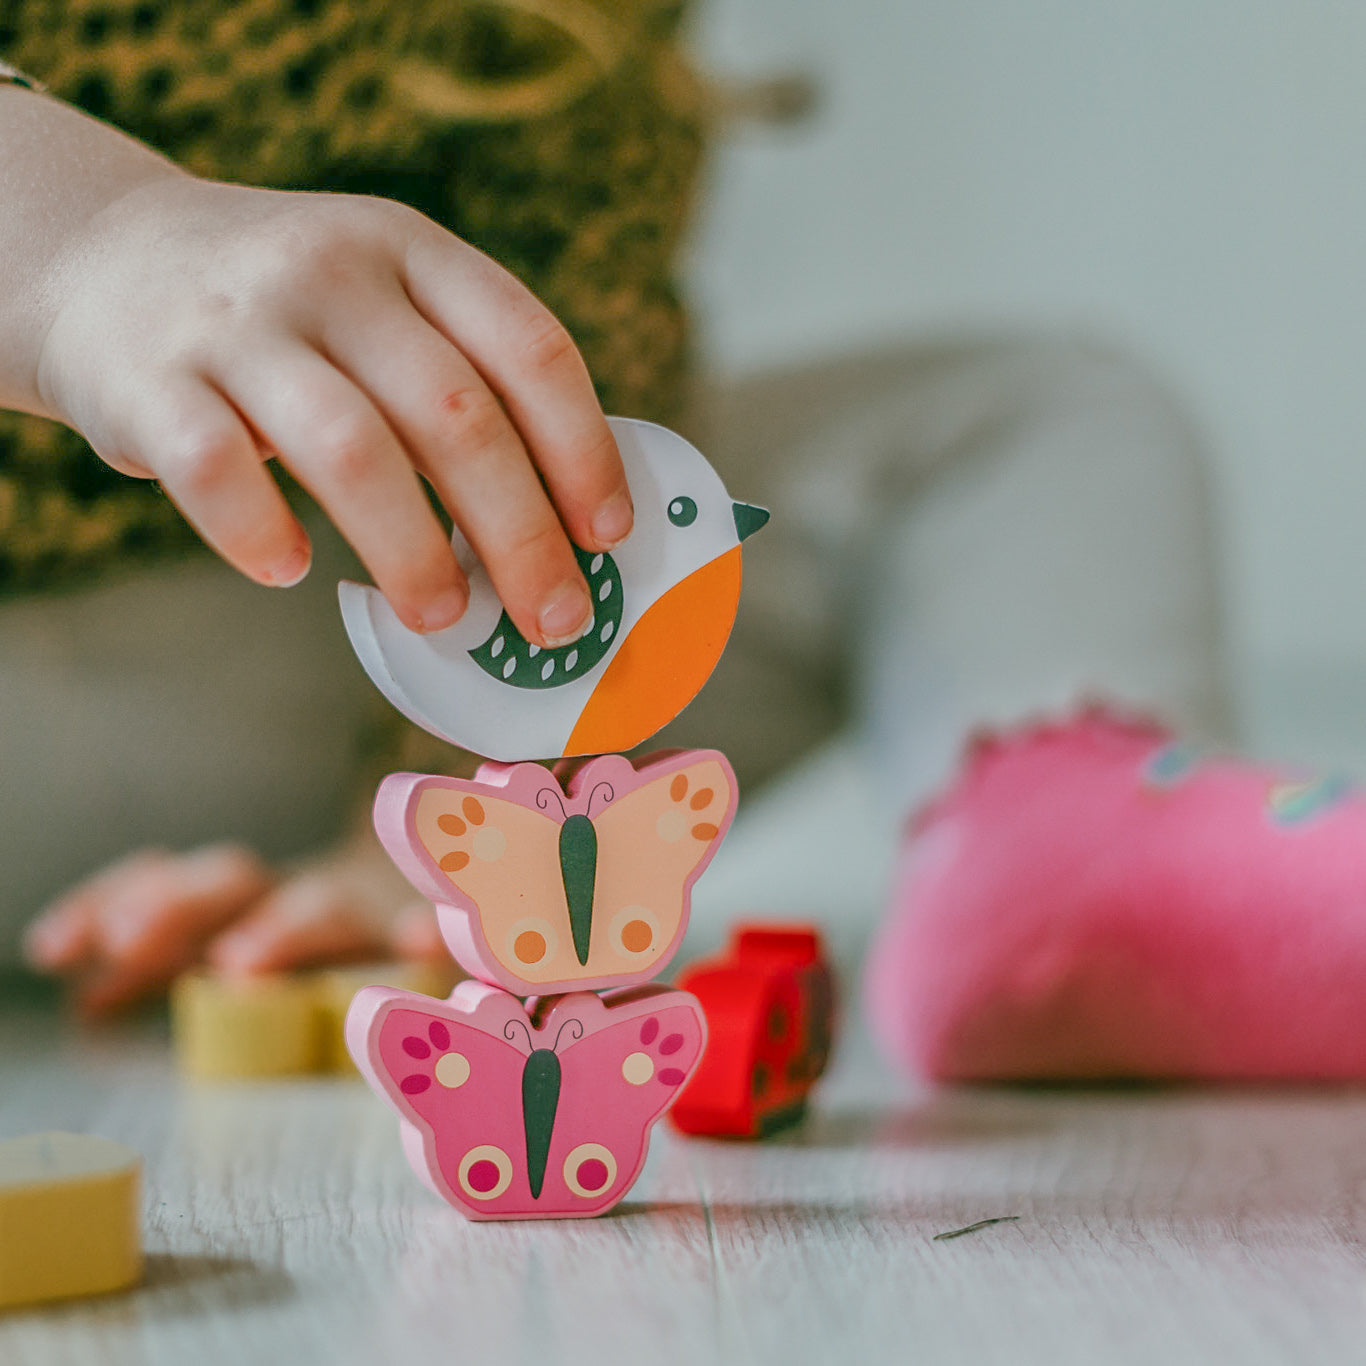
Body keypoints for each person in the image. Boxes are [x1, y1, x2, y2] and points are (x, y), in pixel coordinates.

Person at [0, 3, 1229, 1016]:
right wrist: (87, 244)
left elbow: (588, 435)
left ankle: (1084, 870)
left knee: (1045, 414)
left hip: (366, 653)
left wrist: (457, 835)